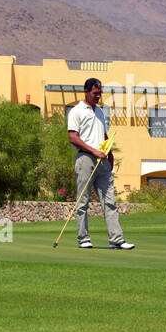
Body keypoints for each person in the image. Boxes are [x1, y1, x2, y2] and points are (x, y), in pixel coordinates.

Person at [66, 77, 134, 250]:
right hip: (85, 160)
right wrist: (93, 151)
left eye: (100, 93)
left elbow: (103, 137)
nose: (98, 97)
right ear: (86, 92)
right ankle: (83, 239)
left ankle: (116, 239)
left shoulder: (100, 112)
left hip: (102, 162)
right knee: (83, 201)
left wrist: (109, 156)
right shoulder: (76, 111)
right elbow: (73, 137)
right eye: (95, 93)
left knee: (110, 201)